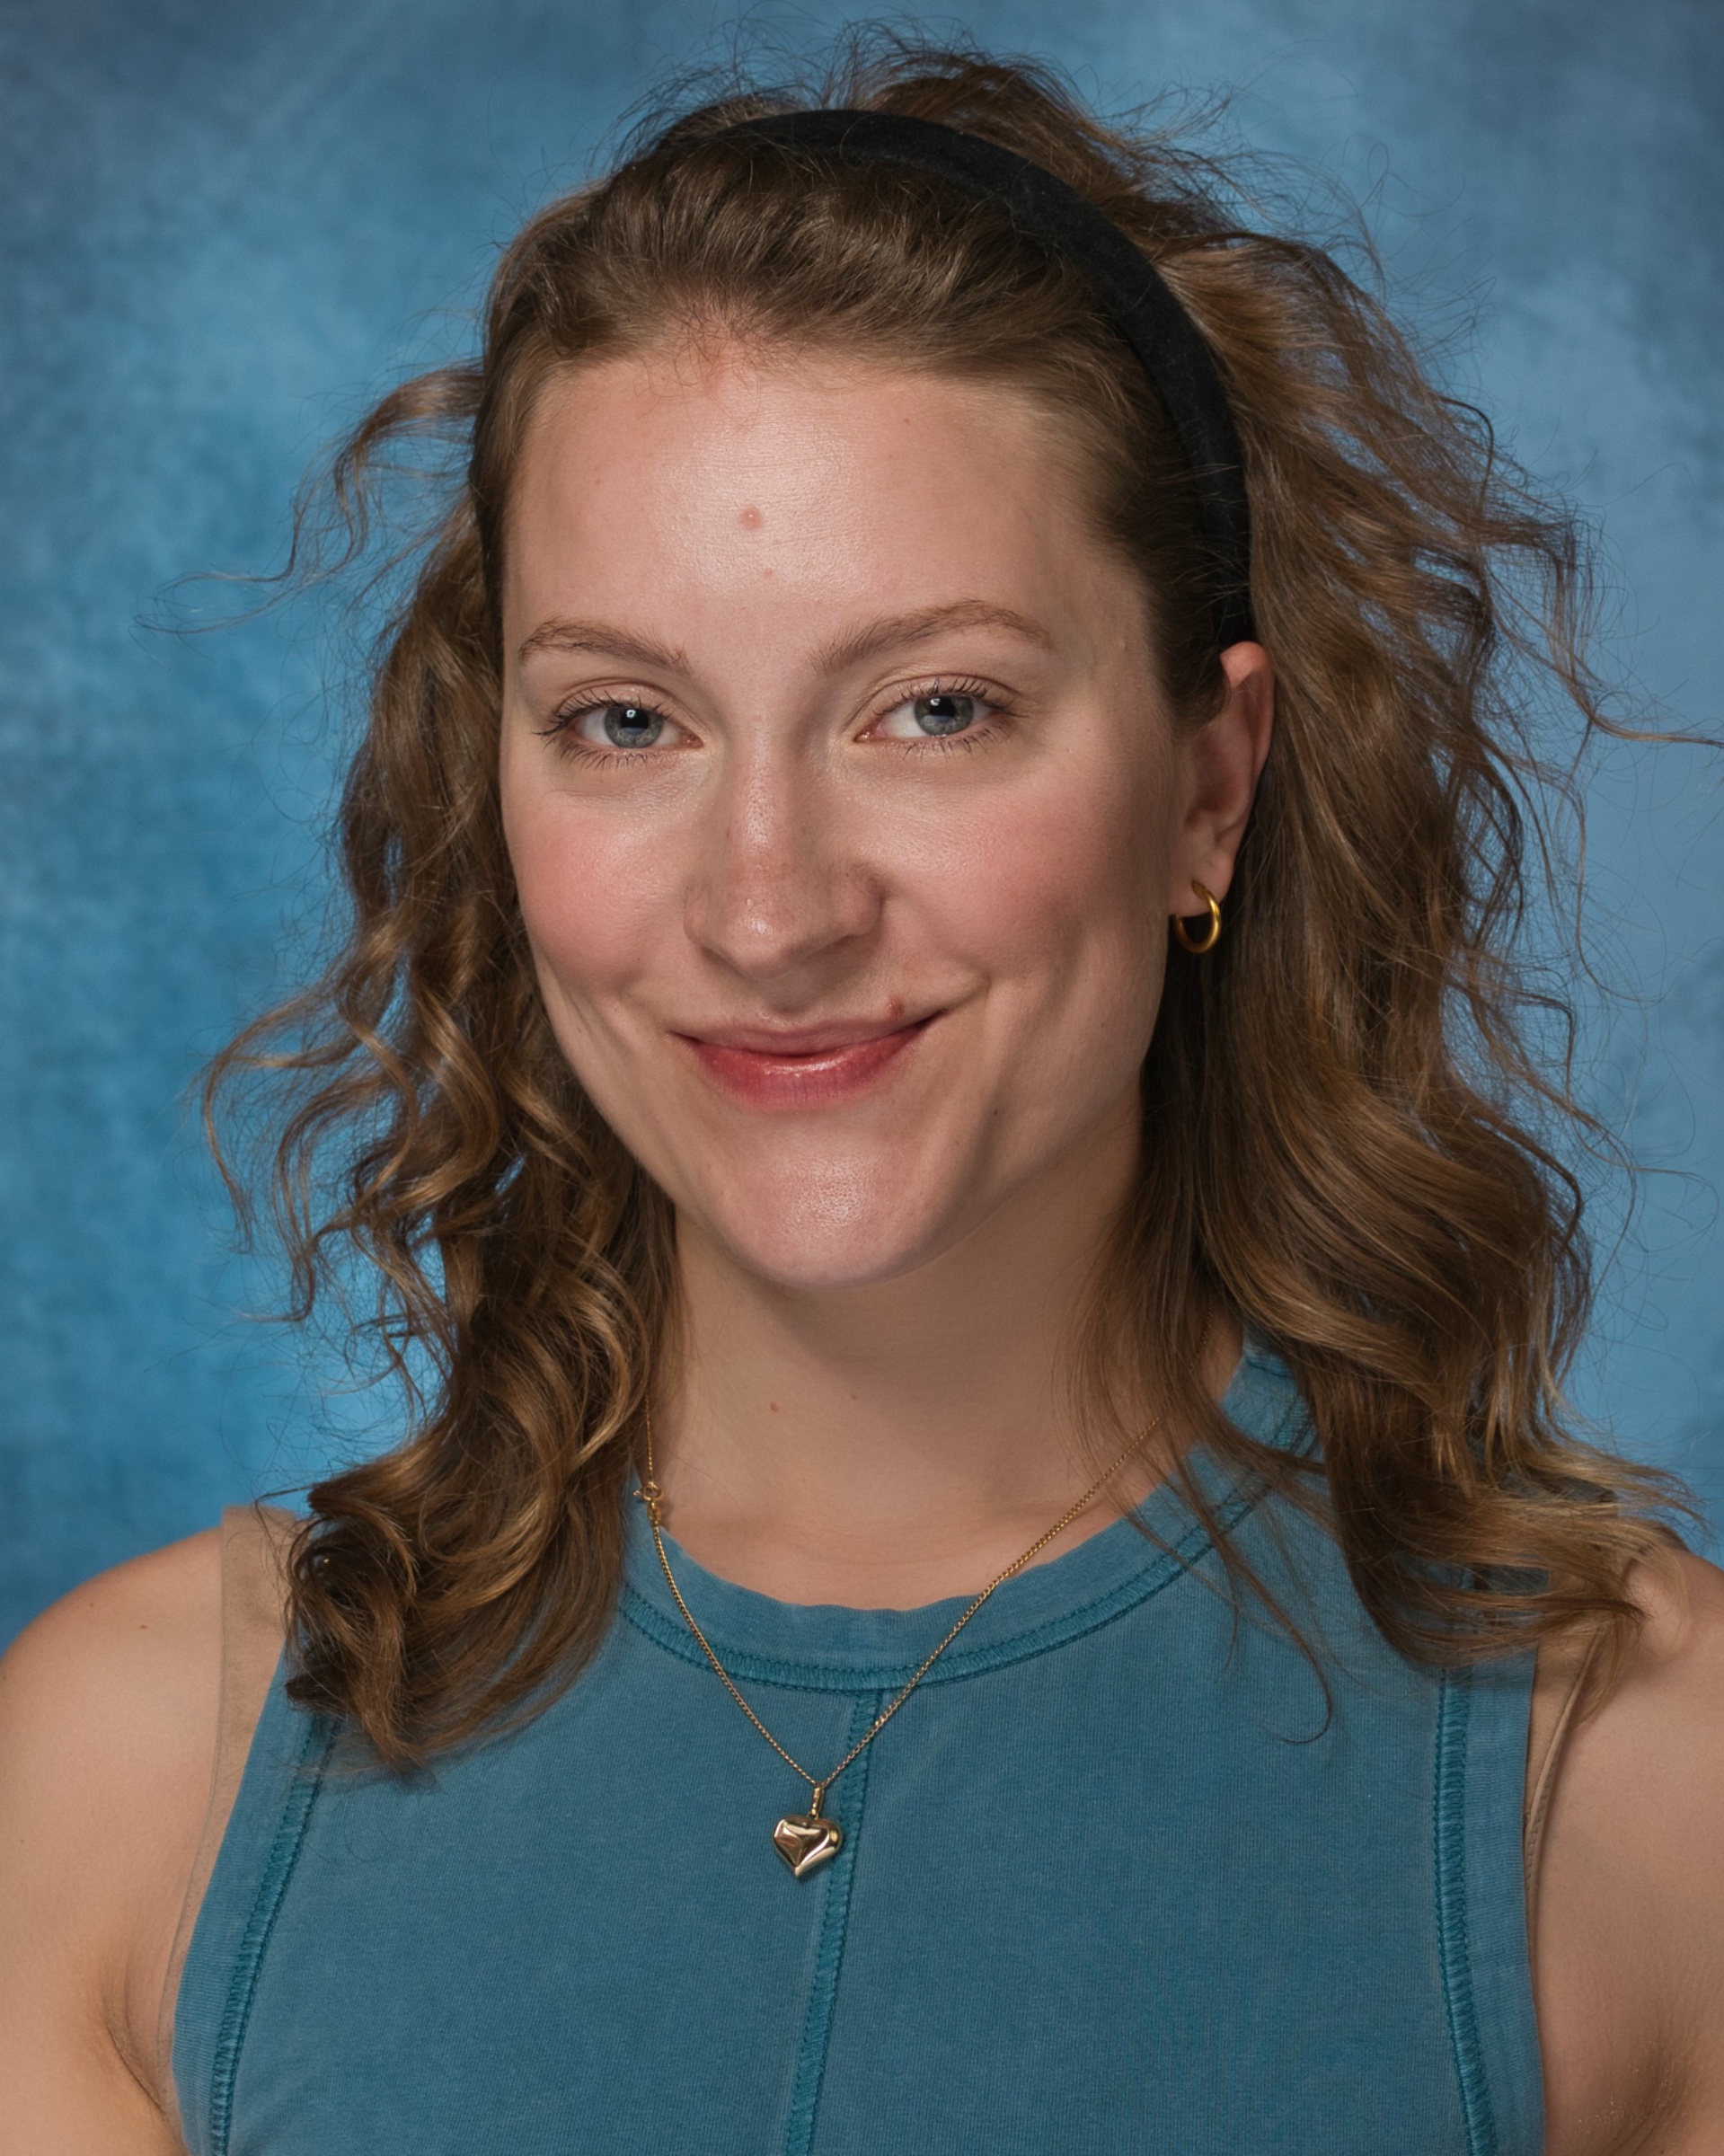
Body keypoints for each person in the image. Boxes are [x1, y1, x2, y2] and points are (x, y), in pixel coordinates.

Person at [2, 39, 1720, 2156]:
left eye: (936, 707)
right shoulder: (117, 1785)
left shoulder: (1643, 1777)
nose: (770, 906)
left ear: (1208, 786)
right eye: (627, 720)